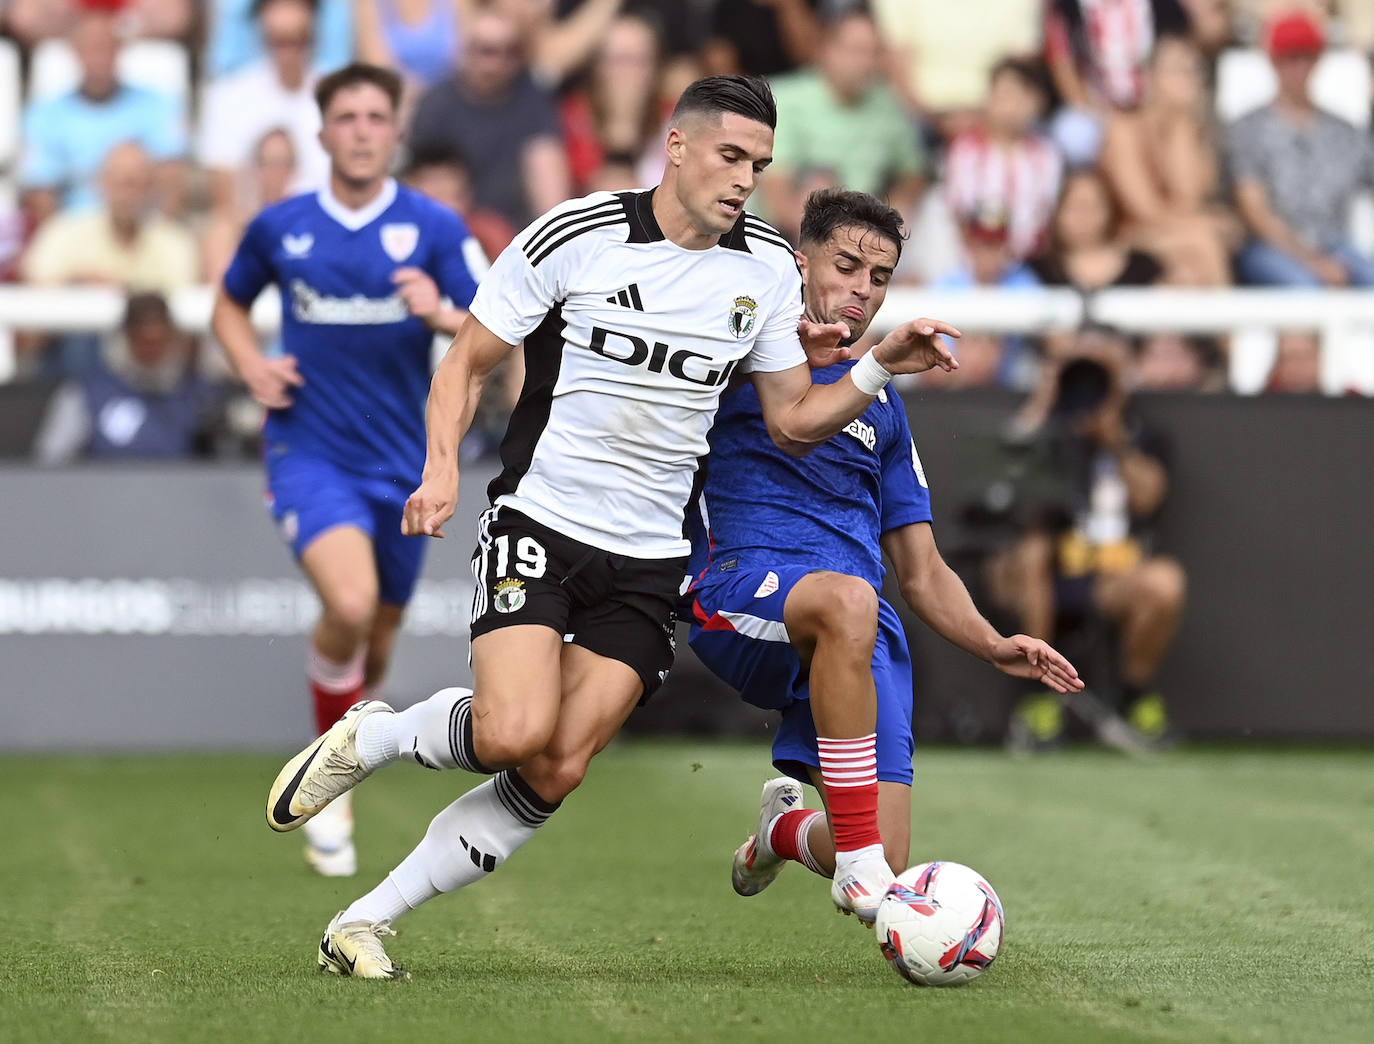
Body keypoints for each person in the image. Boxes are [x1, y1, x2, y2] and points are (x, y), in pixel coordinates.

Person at [263, 75, 960, 978]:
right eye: (730, 156)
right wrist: (439, 470)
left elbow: (791, 419)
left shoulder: (767, 266)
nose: (747, 179)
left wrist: (874, 367)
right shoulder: (576, 234)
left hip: (651, 560)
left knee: (554, 769)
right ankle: (378, 735)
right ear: (676, 146)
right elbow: (467, 361)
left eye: (759, 164)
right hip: (543, 522)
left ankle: (363, 920)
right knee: (513, 731)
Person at [686, 188, 1083, 915]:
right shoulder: (738, 348)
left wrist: (993, 644)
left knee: (879, 855)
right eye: (845, 266)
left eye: (879, 278)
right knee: (848, 597)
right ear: (801, 263)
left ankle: (780, 834)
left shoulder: (886, 408)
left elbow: (923, 568)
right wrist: (872, 367)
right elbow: (790, 429)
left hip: (858, 625)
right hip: (743, 592)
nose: (861, 290)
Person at [212, 63, 484, 877]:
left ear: (394, 131)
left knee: (378, 636)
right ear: (323, 132)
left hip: (404, 461)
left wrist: (440, 312)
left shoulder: (435, 228)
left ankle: (330, 753)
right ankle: (334, 788)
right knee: (353, 601)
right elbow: (229, 304)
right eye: (347, 116)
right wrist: (251, 366)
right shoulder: (282, 226)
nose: (363, 129)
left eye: (376, 115)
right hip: (311, 450)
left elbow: (494, 328)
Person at [990, 327, 1186, 751]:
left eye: (1102, 369)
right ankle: (1037, 697)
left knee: (1166, 580)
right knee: (1032, 550)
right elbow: (999, 488)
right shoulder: (1047, 427)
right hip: (1039, 570)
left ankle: (1132, 698)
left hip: (1110, 573)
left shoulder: (1141, 434)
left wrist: (1112, 437)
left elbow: (1149, 498)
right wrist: (1047, 401)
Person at [1227, 9, 1374, 287]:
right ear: (1273, 60)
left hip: (1335, 244)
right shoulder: (1249, 129)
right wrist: (1310, 260)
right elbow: (1254, 210)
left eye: (1306, 56)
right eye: (1289, 57)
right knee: (1302, 289)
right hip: (1270, 248)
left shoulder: (1343, 131)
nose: (1298, 67)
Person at [760, 10, 925, 245]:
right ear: (827, 50)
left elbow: (914, 171)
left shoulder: (887, 103)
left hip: (863, 230)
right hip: (790, 233)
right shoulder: (786, 98)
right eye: (857, 50)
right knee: (818, 187)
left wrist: (898, 207)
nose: (866, 62)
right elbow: (775, 191)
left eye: (874, 52)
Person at [18, 8, 188, 224]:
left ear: (120, 50)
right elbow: (41, 192)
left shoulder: (157, 105)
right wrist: (58, 244)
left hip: (142, 229)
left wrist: (161, 236)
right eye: (91, 48)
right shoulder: (44, 115)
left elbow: (172, 181)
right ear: (75, 52)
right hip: (75, 230)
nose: (99, 58)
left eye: (106, 47)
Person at [408, 6, 571, 227]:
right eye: (487, 50)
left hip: (517, 234)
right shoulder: (436, 103)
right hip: (454, 227)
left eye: (509, 51)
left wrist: (554, 231)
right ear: (467, 51)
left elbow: (548, 179)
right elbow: (422, 186)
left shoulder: (532, 97)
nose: (497, 62)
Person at [32, 291, 221, 464]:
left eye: (160, 341)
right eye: (144, 342)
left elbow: (219, 465)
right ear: (127, 337)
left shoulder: (197, 396)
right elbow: (50, 463)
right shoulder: (87, 393)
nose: (152, 351)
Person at [197, 0, 332, 217]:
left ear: (313, 35)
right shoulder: (228, 96)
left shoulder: (335, 96)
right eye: (279, 41)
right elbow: (224, 200)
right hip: (253, 228)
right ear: (262, 35)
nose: (288, 52)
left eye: (298, 40)